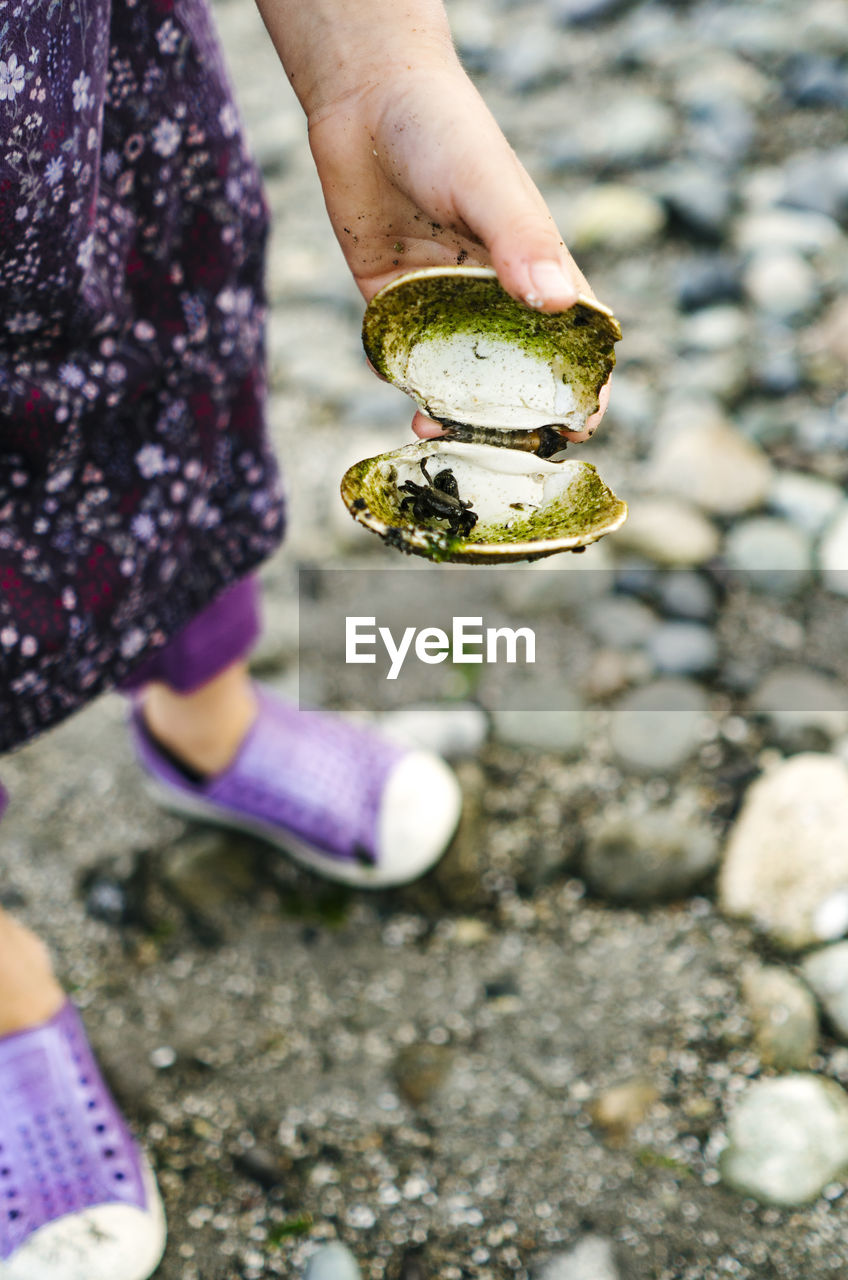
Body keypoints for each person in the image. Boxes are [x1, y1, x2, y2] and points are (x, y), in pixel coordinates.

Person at [0, 1, 607, 1275]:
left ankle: (206, 732)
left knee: (163, 481)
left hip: (101, 150)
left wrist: (377, 66)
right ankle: (9, 1005)